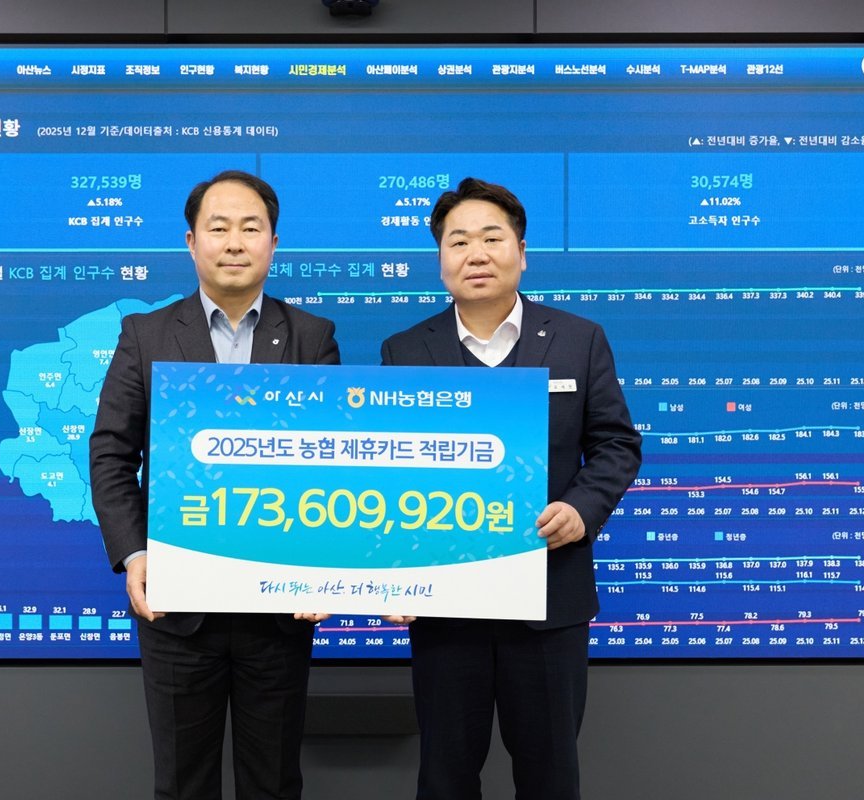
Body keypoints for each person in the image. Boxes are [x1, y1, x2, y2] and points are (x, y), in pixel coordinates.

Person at [380, 177, 642, 800]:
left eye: (491, 238)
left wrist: (580, 509)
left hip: (549, 603)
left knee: (551, 778)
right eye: (458, 241)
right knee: (444, 779)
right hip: (445, 606)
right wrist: (392, 571)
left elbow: (616, 444)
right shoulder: (405, 350)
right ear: (440, 259)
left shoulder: (579, 339)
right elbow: (390, 471)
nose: (475, 254)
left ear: (521, 252)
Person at [90, 170, 340, 800]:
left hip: (278, 609)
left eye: (250, 228)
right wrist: (134, 553)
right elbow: (112, 452)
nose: (234, 242)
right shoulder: (146, 334)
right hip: (179, 608)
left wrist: (323, 566)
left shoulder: (312, 337)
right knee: (182, 783)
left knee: (273, 784)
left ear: (273, 242)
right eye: (218, 227)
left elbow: (330, 464)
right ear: (191, 241)